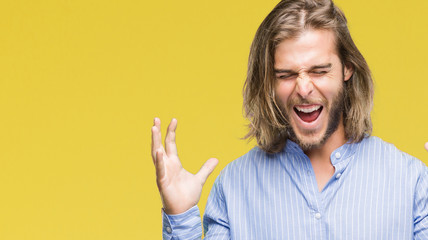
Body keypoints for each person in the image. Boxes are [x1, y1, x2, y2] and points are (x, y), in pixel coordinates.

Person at [151, 0, 428, 239]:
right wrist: (180, 216)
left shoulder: (411, 180)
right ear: (269, 81)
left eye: (319, 71)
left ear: (347, 69)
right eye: (286, 74)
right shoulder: (234, 187)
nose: (304, 88)